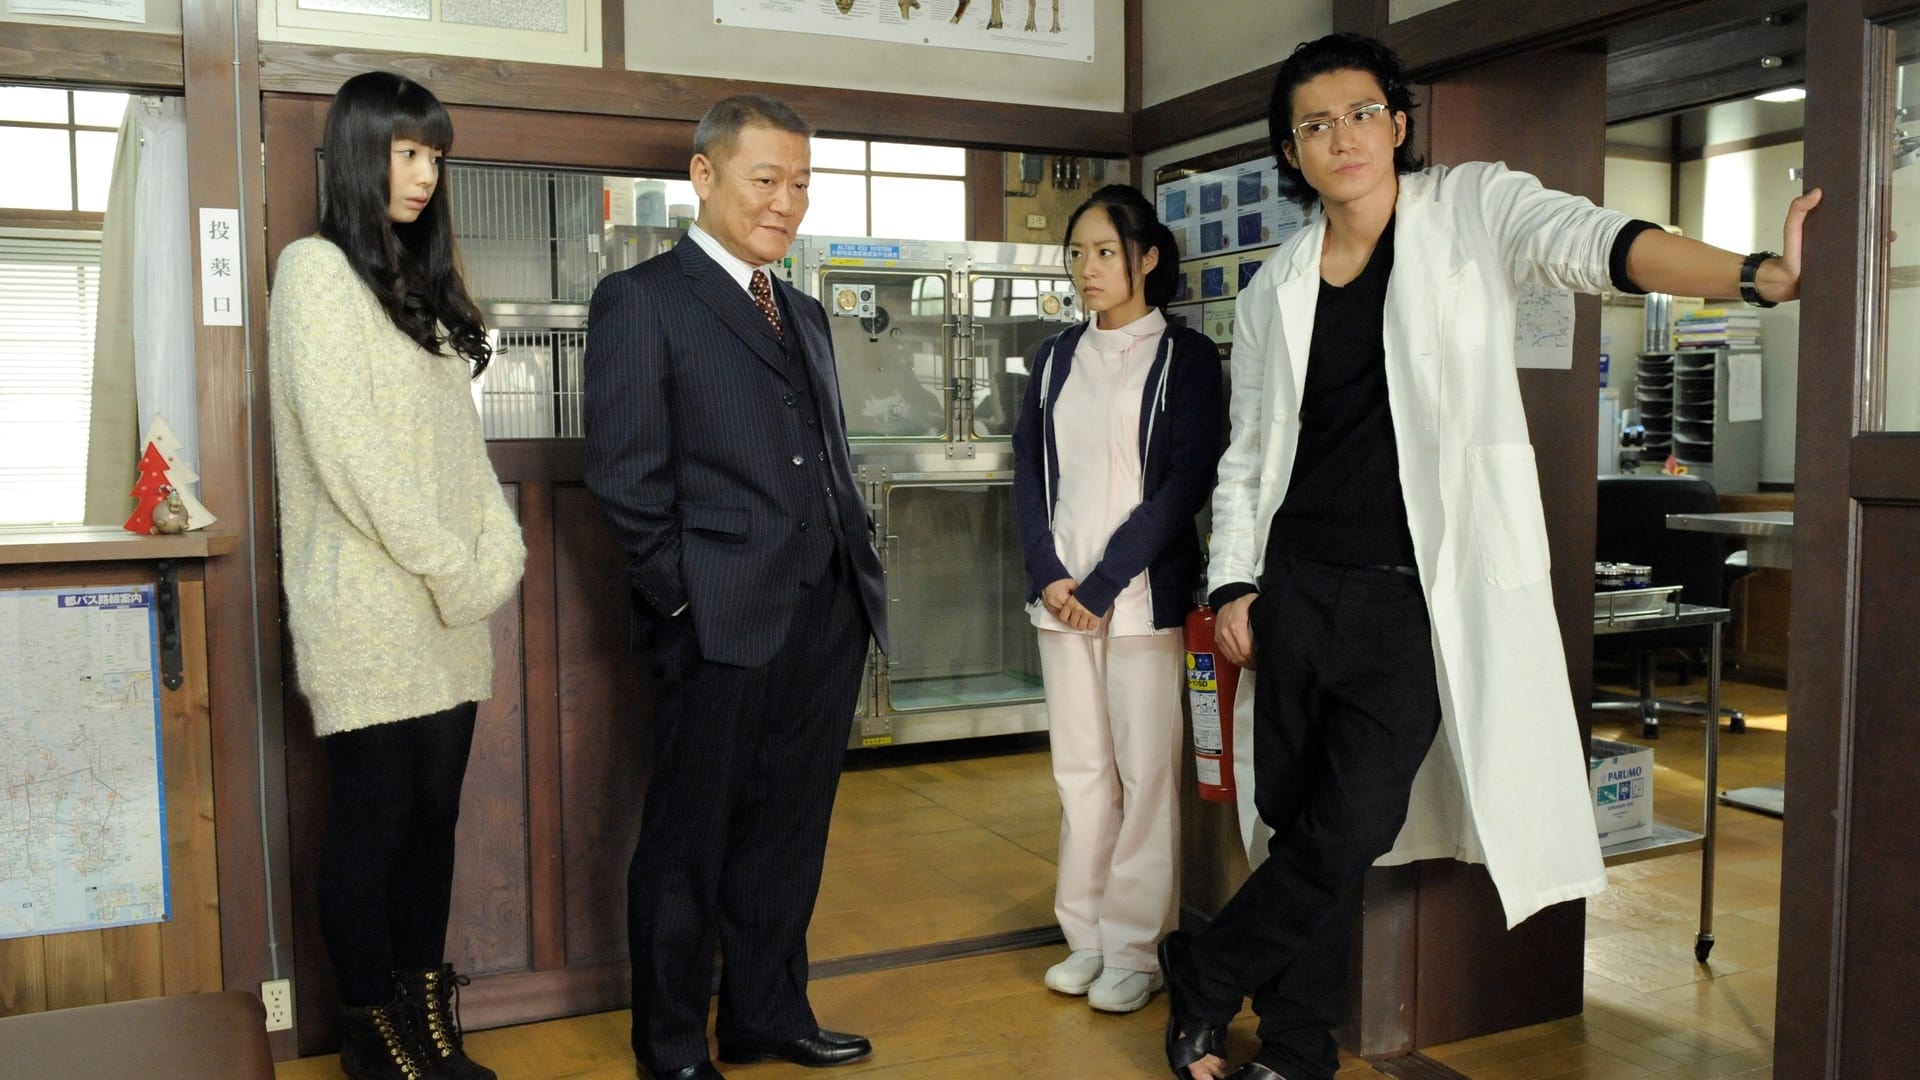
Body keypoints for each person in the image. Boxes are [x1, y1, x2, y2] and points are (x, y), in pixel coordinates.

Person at [1159, 33, 1819, 1080]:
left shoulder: (1471, 210)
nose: (1342, 138)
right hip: (1295, 591)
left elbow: (1601, 242)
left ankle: (1202, 972)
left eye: (1361, 113)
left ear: (1398, 123)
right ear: (1292, 151)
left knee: (1351, 826)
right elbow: (1249, 455)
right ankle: (1293, 1050)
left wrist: (1756, 277)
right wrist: (1235, 580)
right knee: (1297, 828)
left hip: (1416, 601)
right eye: (1315, 125)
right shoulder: (1272, 284)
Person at [582, 95, 889, 1080]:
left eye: (801, 183)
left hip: (826, 611)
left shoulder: (802, 312)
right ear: (705, 176)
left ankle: (766, 1013)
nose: (786, 202)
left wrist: (852, 577)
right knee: (689, 842)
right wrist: (682, 599)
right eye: (767, 179)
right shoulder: (643, 299)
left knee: (788, 832)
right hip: (715, 617)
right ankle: (672, 1046)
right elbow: (625, 477)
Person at [270, 71, 524, 1080]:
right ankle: (372, 1036)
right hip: (367, 602)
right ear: (358, 151)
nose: (424, 175)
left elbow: (461, 455)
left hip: (446, 603)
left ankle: (428, 1020)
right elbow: (351, 456)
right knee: (371, 821)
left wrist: (499, 549)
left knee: (433, 819)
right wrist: (454, 566)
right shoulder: (313, 271)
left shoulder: (422, 291)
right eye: (406, 152)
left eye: (435, 157)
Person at [1011, 184, 1221, 1014]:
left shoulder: (1185, 358)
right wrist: (1048, 571)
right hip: (1060, 599)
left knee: (1144, 775)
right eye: (1077, 253)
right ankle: (1086, 937)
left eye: (1104, 252)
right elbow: (1029, 470)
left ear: (1147, 258)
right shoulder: (1055, 357)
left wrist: (1103, 583)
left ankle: (1136, 949)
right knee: (1080, 773)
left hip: (1138, 602)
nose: (1086, 269)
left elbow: (1186, 482)